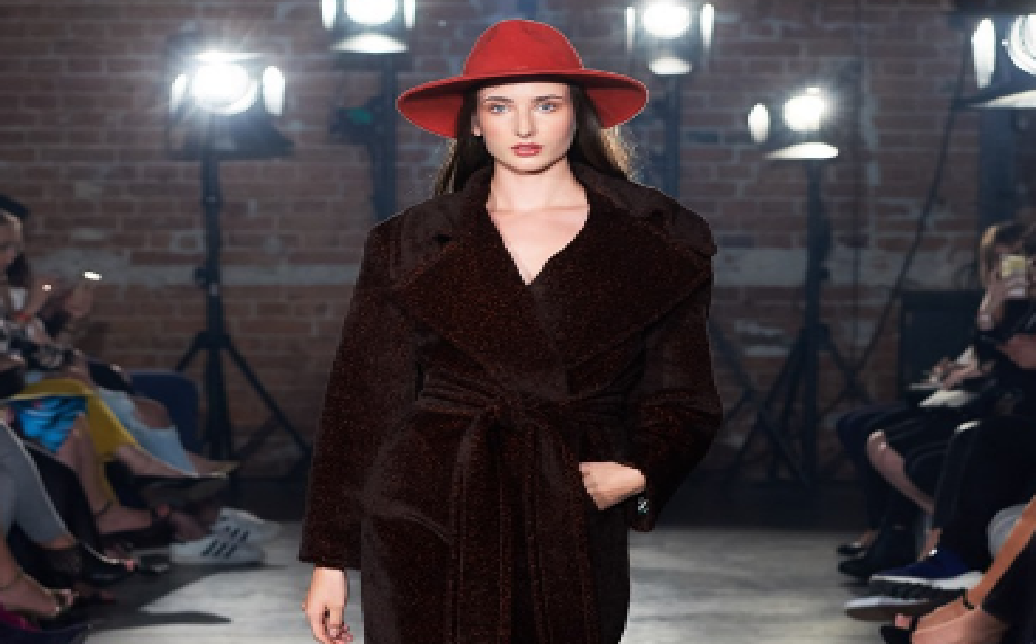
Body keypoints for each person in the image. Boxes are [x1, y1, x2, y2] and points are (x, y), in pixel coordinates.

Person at [299, 19, 722, 644]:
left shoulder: (658, 238)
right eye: (500, 106)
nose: (524, 127)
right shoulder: (410, 242)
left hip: (566, 510)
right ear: (474, 121)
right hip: (425, 507)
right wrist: (332, 561)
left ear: (577, 114)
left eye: (545, 105)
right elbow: (363, 402)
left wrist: (637, 474)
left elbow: (682, 393)